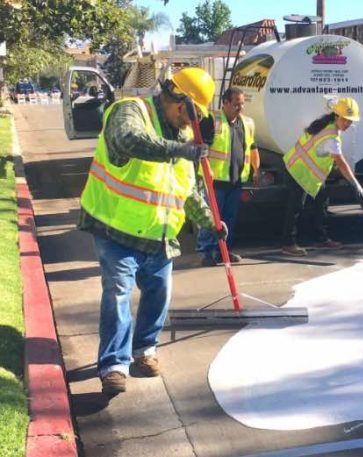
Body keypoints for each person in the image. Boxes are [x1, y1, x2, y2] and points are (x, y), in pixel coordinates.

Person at [78, 67, 221, 395]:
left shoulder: (184, 138)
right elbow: (128, 140)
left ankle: (144, 350)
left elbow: (187, 189)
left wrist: (211, 221)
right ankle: (113, 364)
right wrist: (177, 151)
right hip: (116, 229)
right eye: (194, 113)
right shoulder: (131, 111)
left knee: (159, 293)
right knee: (117, 293)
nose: (193, 122)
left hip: (159, 235)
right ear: (179, 101)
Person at [281, 97, 363, 256]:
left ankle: (320, 238)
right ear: (336, 116)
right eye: (345, 119)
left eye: (350, 120)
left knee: (321, 200)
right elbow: (341, 163)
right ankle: (288, 243)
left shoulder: (328, 126)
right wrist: (355, 183)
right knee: (296, 206)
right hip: (298, 171)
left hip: (306, 172)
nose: (348, 124)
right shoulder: (331, 136)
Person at [196, 87, 260, 266]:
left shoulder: (247, 123)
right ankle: (207, 252)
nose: (240, 108)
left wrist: (256, 169)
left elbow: (252, 147)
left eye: (241, 104)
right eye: (236, 104)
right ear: (225, 103)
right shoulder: (212, 120)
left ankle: (224, 251)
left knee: (229, 218)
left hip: (235, 181)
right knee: (212, 217)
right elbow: (202, 149)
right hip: (215, 181)